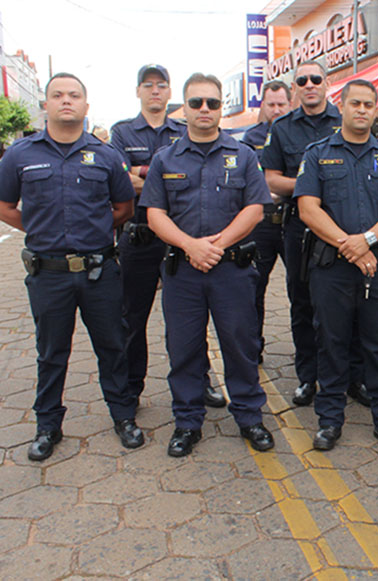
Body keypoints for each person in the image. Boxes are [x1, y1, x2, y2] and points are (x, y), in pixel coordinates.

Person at [0, 73, 144, 460]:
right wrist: (42, 228)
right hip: (48, 274)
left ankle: (123, 417)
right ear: (45, 104)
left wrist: (93, 230)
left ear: (85, 105)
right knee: (51, 353)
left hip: (100, 273)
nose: (66, 101)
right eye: (57, 95)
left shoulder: (106, 155)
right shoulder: (20, 155)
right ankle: (48, 426)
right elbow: (5, 206)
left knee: (113, 346)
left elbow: (124, 207)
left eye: (74, 95)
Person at [139, 73, 273, 457]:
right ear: (184, 108)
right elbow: (155, 215)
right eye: (196, 102)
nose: (204, 110)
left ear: (220, 108)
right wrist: (189, 246)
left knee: (240, 344)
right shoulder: (165, 159)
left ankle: (250, 417)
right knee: (183, 349)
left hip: (231, 270)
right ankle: (186, 422)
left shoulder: (244, 155)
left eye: (212, 103)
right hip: (183, 272)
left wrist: (215, 247)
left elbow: (255, 209)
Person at [295, 79, 378, 450]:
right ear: (340, 106)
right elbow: (308, 208)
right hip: (332, 267)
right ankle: (330, 421)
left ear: (375, 111)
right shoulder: (317, 154)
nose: (362, 110)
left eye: (368, 105)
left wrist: (368, 241)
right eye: (355, 103)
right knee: (332, 343)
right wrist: (351, 246)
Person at [110, 64, 226, 410]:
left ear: (171, 91)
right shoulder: (123, 132)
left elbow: (194, 178)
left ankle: (200, 380)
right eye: (148, 85)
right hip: (140, 238)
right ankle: (131, 388)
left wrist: (148, 175)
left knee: (190, 318)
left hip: (182, 240)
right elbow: (120, 180)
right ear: (138, 91)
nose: (155, 91)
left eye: (162, 85)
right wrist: (169, 180)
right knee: (133, 318)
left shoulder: (183, 128)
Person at [261, 61, 369, 408]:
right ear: (295, 87)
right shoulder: (282, 129)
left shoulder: (346, 118)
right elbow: (271, 179)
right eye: (302, 80)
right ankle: (309, 377)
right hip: (300, 229)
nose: (309, 85)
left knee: (352, 304)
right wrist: (314, 186)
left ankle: (355, 377)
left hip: (347, 228)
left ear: (328, 84)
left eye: (316, 79)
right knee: (303, 301)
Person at [240, 81, 292, 361]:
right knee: (254, 287)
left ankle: (308, 355)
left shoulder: (299, 133)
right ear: (263, 105)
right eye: (271, 104)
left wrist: (276, 186)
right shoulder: (251, 138)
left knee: (301, 289)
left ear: (290, 104)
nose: (276, 109)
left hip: (293, 222)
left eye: (281, 104)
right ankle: (253, 349)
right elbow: (248, 180)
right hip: (262, 224)